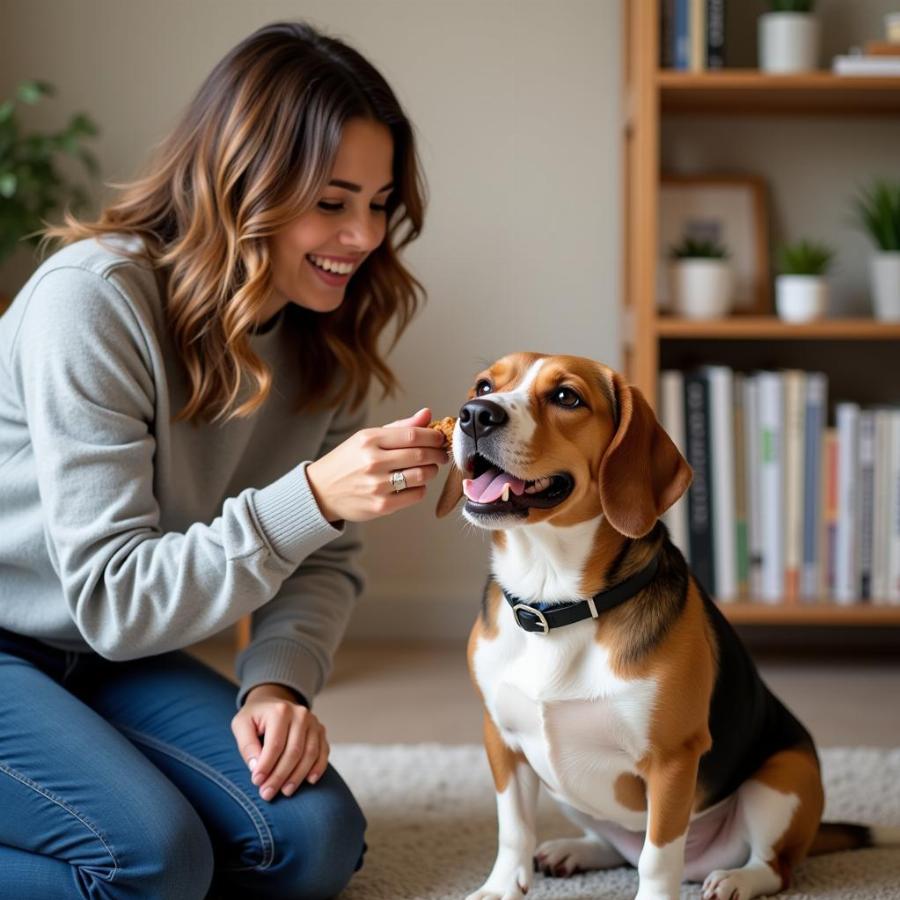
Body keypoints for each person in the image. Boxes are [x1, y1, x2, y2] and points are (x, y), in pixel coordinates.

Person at [0, 20, 447, 900]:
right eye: (331, 200)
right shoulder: (93, 302)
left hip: (104, 657)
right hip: (27, 632)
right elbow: (113, 596)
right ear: (244, 184)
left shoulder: (326, 336)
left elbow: (329, 557)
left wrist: (276, 684)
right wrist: (311, 498)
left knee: (312, 843)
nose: (362, 236)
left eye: (380, 202)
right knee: (155, 860)